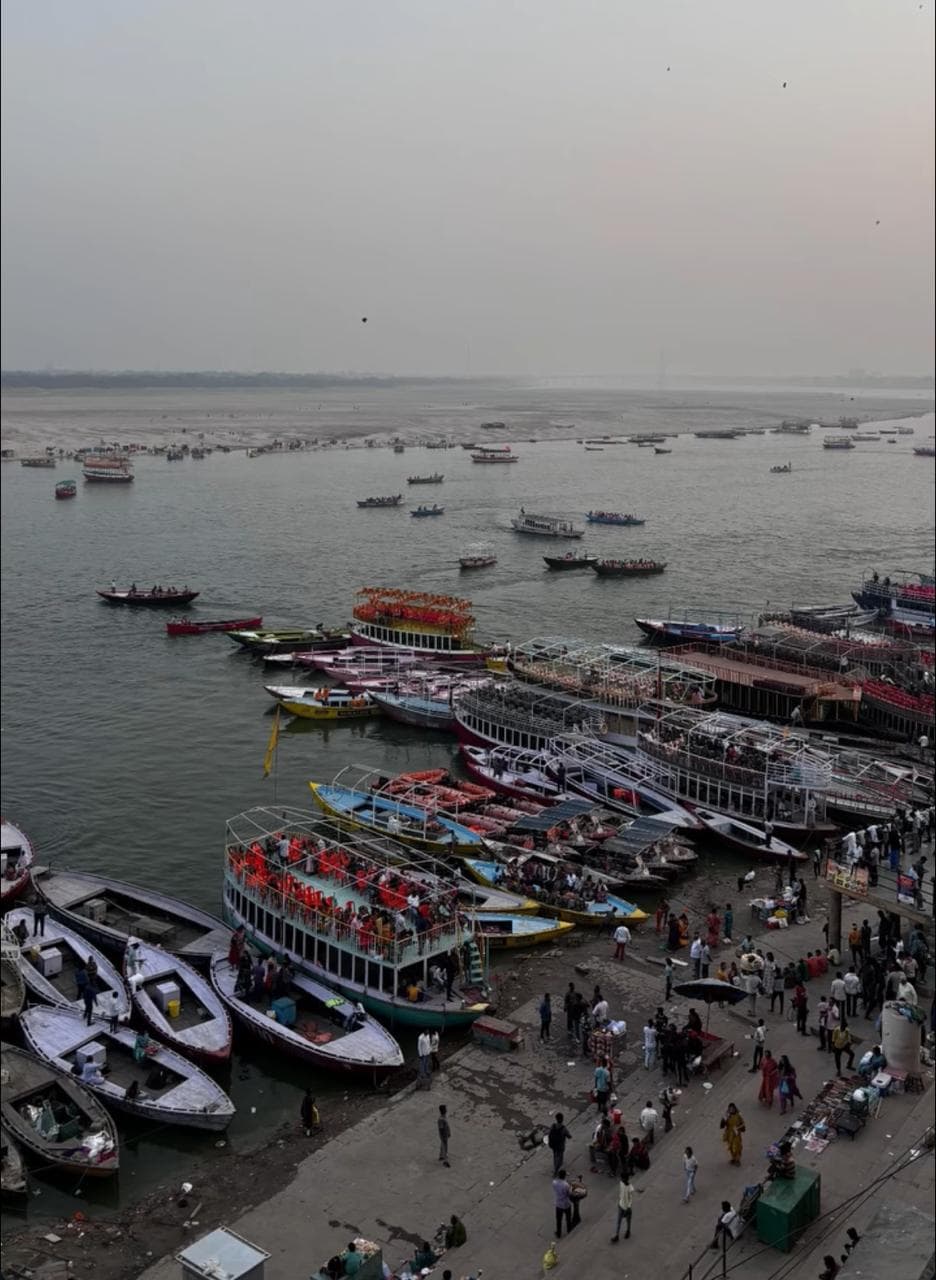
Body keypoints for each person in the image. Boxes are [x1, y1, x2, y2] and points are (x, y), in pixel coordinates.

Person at [610, 1170, 633, 1242]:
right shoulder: (622, 1183)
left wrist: (628, 1207)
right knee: (619, 1221)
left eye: (623, 1178)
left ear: (626, 1178)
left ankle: (628, 1231)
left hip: (626, 1207)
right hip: (621, 1205)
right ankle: (617, 1235)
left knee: (628, 1220)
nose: (622, 1179)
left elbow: (630, 1199)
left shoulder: (629, 1188)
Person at [552, 1169, 572, 1238]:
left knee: (558, 1220)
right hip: (566, 1203)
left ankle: (558, 1233)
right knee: (568, 1218)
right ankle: (569, 1230)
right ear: (564, 1176)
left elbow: (555, 1181)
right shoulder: (566, 1185)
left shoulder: (554, 1183)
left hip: (559, 1204)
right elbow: (569, 1194)